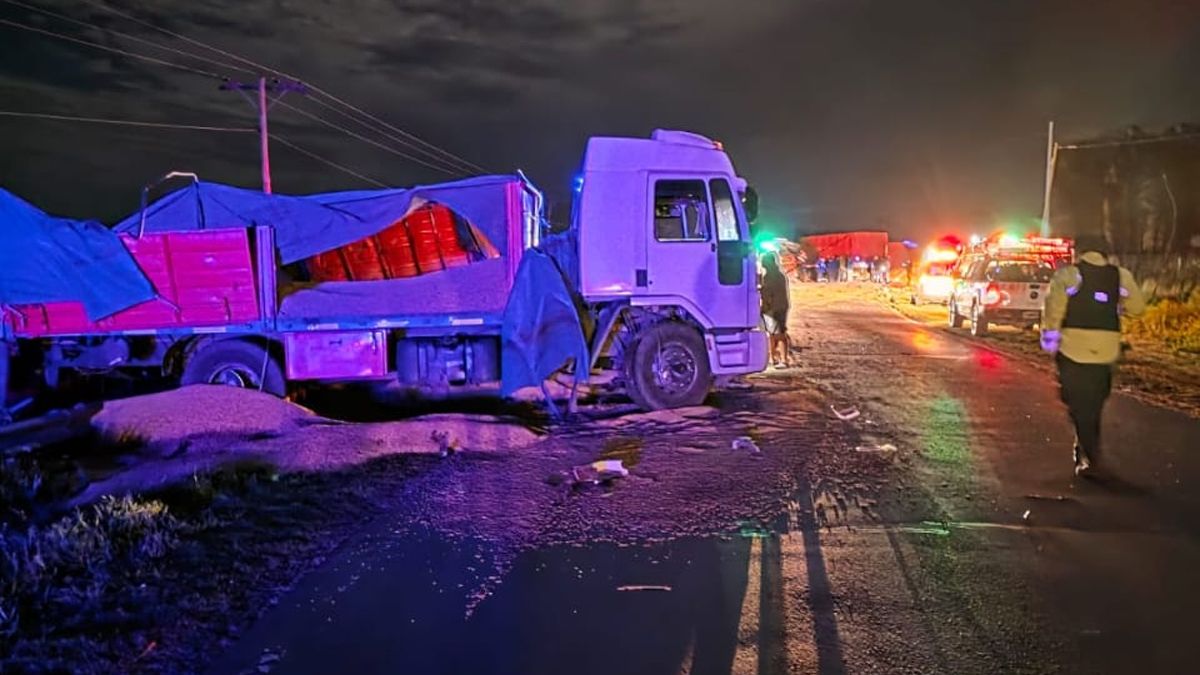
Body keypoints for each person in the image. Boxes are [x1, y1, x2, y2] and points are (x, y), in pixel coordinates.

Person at [1041, 233, 1145, 476]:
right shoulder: (1120, 276)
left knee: (1076, 403)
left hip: (1072, 348)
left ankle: (1089, 454)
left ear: (1079, 251)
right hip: (1106, 350)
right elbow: (1138, 308)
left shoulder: (1069, 274)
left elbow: (1053, 309)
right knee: (1094, 404)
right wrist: (1116, 306)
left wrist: (1050, 338)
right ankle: (1087, 451)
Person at [760, 253, 791, 368]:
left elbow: (768, 294)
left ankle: (775, 359)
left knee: (773, 335)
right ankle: (782, 359)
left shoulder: (769, 277)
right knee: (780, 333)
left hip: (772, 309)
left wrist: (764, 306)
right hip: (782, 307)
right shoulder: (781, 275)